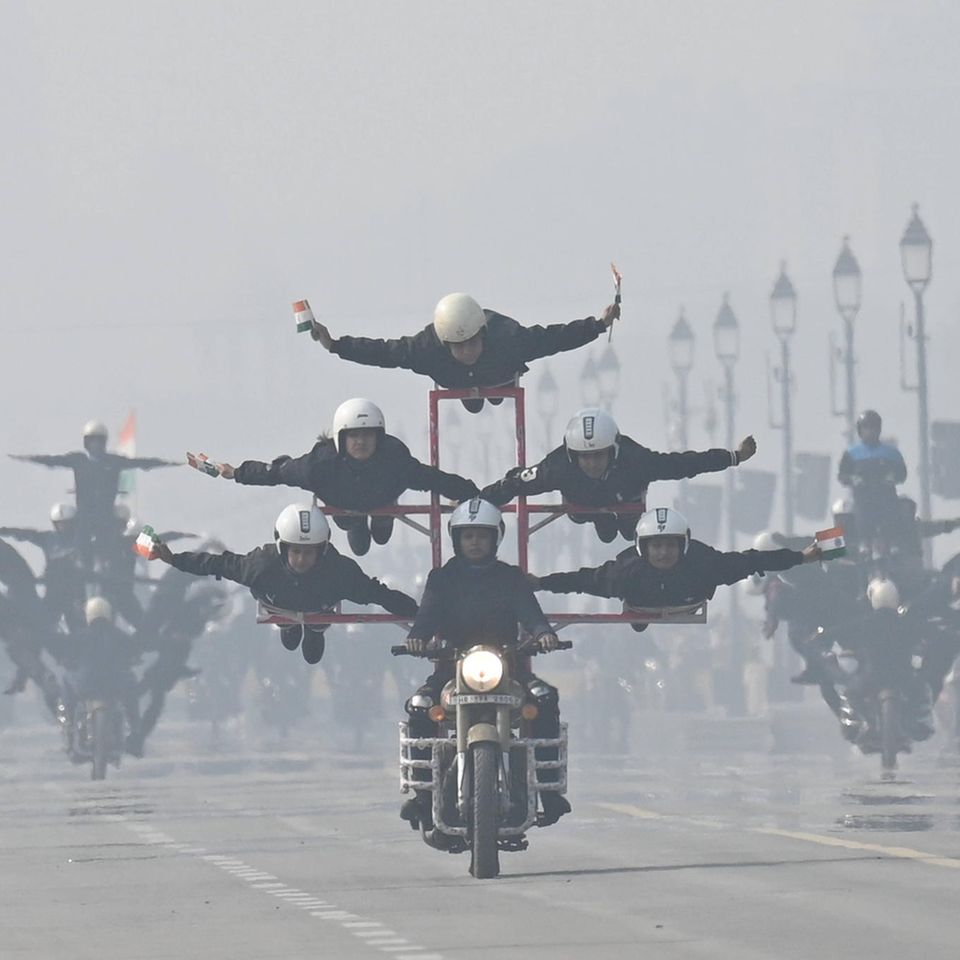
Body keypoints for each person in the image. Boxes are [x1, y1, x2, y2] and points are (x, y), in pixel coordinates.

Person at [400, 498, 569, 827]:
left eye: (482, 535)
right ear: (456, 539)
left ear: (496, 538)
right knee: (420, 705)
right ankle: (421, 796)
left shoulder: (510, 577)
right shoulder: (441, 578)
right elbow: (426, 617)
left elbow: (531, 614)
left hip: (509, 665)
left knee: (545, 699)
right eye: (468, 535)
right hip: (452, 666)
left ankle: (549, 790)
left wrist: (544, 633)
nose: (475, 542)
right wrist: (417, 638)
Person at [197, 399, 479, 556]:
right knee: (359, 545)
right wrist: (237, 473)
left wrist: (471, 493)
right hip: (344, 509)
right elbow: (278, 472)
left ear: (379, 438)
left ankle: (382, 521)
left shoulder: (395, 459)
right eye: (354, 436)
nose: (360, 442)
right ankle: (358, 525)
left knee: (381, 536)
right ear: (341, 439)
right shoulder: (318, 465)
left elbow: (431, 478)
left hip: (384, 502)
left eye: (367, 435)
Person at [149, 504, 418, 664]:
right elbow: (215, 563)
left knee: (312, 654)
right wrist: (174, 558)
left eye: (309, 552)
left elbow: (378, 593)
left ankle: (315, 630)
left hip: (320, 609)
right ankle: (288, 626)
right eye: (296, 552)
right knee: (290, 642)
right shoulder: (260, 566)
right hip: (276, 605)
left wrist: (420, 614)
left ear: (321, 551)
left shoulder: (340, 572)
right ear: (282, 548)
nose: (301, 560)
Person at [308, 293, 620, 413]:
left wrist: (596, 324)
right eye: (458, 347)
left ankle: (498, 390)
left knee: (497, 394)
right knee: (472, 405)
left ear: (483, 334)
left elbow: (555, 338)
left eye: (472, 343)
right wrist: (336, 345)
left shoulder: (510, 338)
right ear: (444, 345)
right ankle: (476, 395)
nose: (467, 351)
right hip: (454, 382)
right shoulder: (424, 349)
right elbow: (384, 352)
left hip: (500, 374)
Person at [482, 407, 758, 542]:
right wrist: (476, 502)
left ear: (613, 451)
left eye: (598, 456)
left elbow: (683, 464)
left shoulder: (636, 460)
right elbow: (515, 483)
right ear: (572, 455)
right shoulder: (556, 468)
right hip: (581, 505)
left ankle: (615, 522)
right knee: (594, 523)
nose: (591, 464)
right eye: (584, 458)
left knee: (628, 533)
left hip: (626, 500)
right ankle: (601, 522)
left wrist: (733, 457)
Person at [529, 507, 824, 610]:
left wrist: (801, 557)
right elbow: (584, 579)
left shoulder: (705, 565)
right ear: (643, 549)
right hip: (640, 603)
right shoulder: (625, 573)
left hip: (690, 598)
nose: (663, 553)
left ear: (683, 546)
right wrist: (542, 582)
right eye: (656, 547)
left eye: (670, 546)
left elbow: (754, 561)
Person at [9, 421, 178, 541]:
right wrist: (28, 458)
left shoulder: (113, 461)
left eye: (99, 440)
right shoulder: (78, 460)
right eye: (92, 440)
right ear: (86, 442)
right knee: (81, 545)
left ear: (104, 442)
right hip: (84, 516)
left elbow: (140, 463)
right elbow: (53, 460)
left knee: (108, 547)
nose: (96, 445)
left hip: (106, 516)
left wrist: (166, 463)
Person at [52, 597, 145, 757]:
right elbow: (135, 652)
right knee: (131, 681)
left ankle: (68, 722)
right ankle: (135, 728)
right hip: (115, 686)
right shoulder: (119, 635)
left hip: (85, 686)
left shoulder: (79, 636)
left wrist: (65, 661)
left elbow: (65, 655)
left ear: (88, 615)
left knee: (66, 679)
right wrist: (134, 659)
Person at [0, 503, 87, 631]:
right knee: (45, 623)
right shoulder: (49, 538)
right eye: (59, 524)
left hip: (76, 592)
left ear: (73, 523)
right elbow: (28, 534)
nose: (63, 527)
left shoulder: (82, 541)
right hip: (54, 591)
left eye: (66, 523)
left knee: (78, 625)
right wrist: (6, 531)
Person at [838, 410, 907, 542]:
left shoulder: (891, 453)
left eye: (873, 427)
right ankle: (861, 545)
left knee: (896, 516)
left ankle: (893, 545)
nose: (870, 431)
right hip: (862, 499)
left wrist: (893, 477)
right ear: (860, 430)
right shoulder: (851, 453)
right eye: (866, 427)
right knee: (852, 516)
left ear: (879, 429)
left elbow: (902, 473)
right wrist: (852, 479)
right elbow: (842, 475)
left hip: (886, 498)